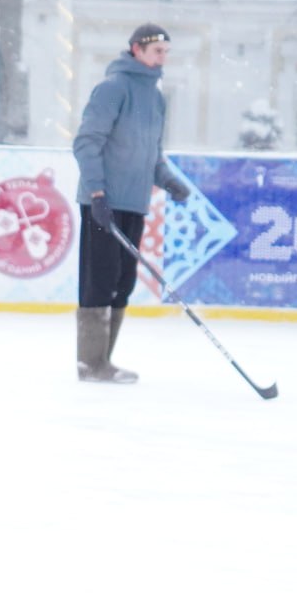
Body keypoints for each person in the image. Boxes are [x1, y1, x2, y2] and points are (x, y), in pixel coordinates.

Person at [72, 23, 191, 383]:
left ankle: (104, 360)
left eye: (166, 52)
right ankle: (90, 364)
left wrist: (169, 181)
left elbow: (152, 154)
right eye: (157, 51)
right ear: (136, 49)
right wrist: (96, 193)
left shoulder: (155, 97)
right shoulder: (112, 89)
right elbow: (86, 142)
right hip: (103, 202)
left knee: (122, 282)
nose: (163, 58)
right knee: (99, 279)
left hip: (134, 203)